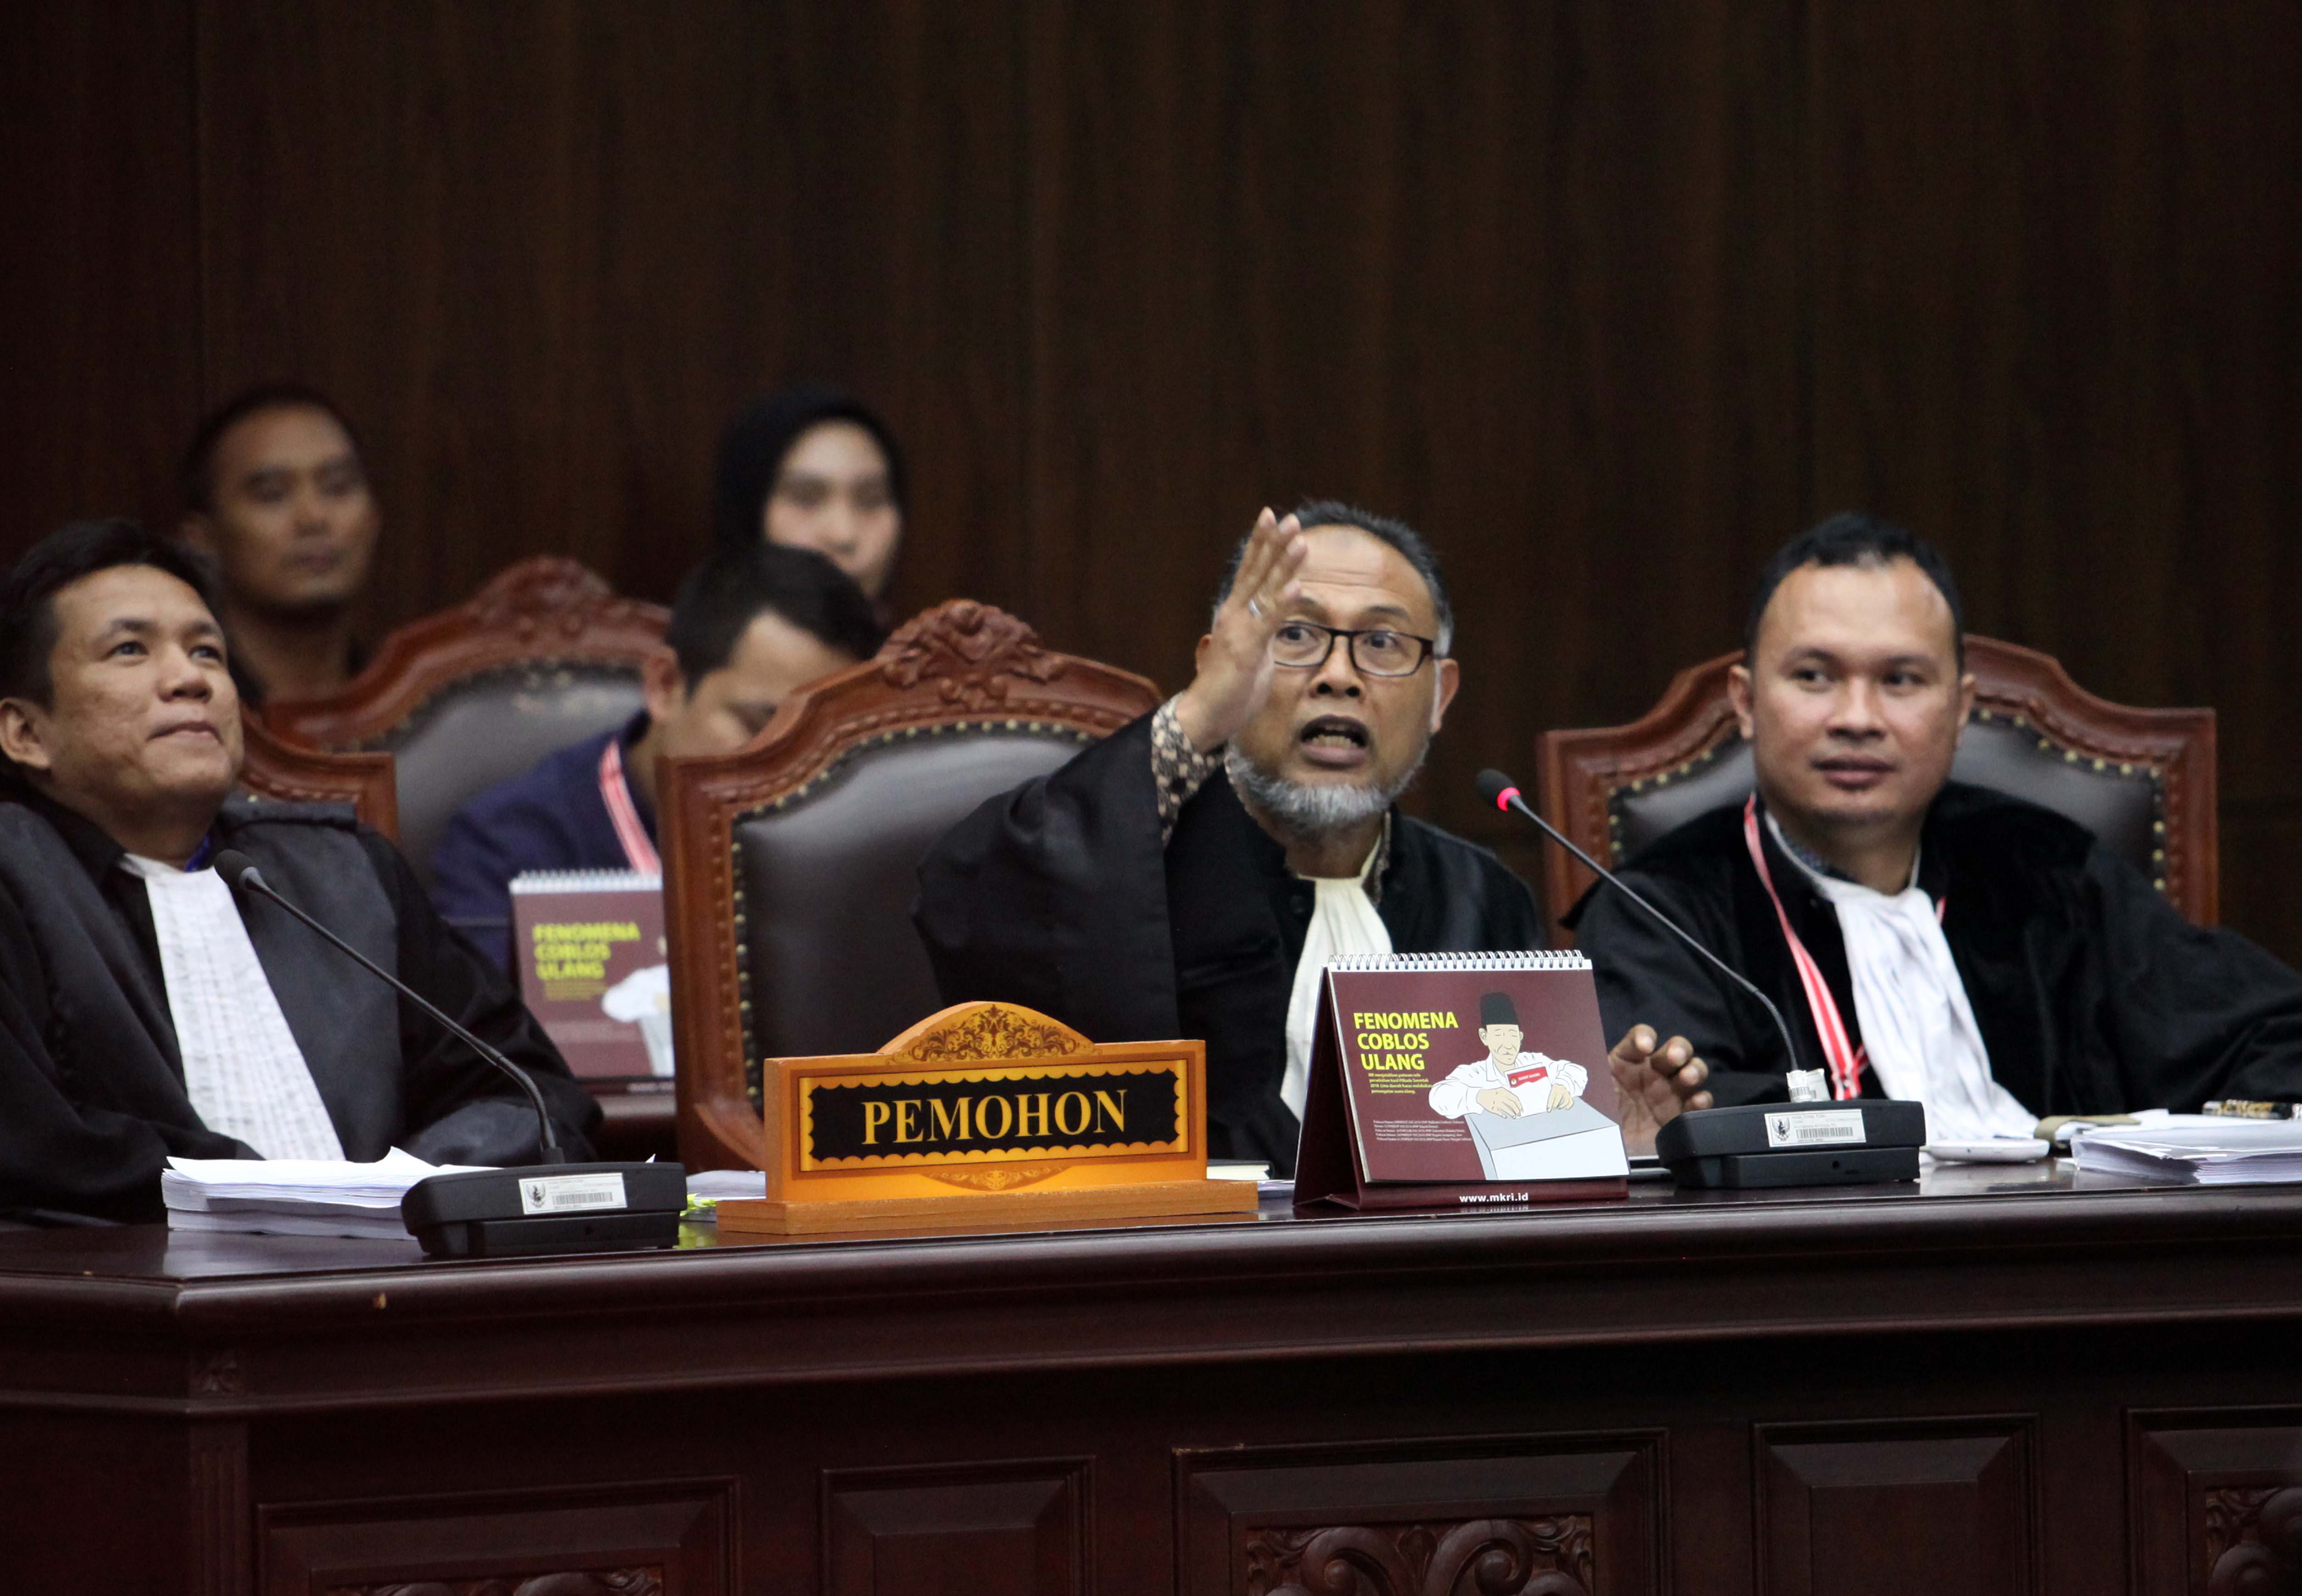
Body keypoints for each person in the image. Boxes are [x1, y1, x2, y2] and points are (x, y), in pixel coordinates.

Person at [915, 501, 1711, 1174]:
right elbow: (972, 898)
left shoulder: (1480, 896)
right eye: (1294, 636)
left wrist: (1604, 1144)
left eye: (1383, 643)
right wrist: (1197, 717)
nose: (1338, 674)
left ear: (1441, 696)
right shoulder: (1130, 868)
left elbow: (1499, 1174)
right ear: (1220, 667)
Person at [1571, 512, 2302, 1131]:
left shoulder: (2049, 872)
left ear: (1960, 708)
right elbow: (1687, 1131)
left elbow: (2298, 1046)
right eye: (1815, 676)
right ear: (1748, 702)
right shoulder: (1658, 912)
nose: (1857, 716)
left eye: (1901, 680)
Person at [0, 521, 596, 1228]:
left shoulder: (342, 875)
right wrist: (273, 1196)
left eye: (208, 651)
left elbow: (530, 1095)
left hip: (393, 1289)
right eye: (130, 649)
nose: (190, 679)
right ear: (26, 731)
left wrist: (407, 1192)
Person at [429, 542, 888, 972]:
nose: (792, 768)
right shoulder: (505, 846)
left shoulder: (855, 847)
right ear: (666, 686)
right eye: (759, 725)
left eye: (820, 743)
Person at [176, 383, 382, 705]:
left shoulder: (416, 707)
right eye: (273, 495)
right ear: (203, 539)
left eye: (338, 487)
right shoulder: (183, 708)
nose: (314, 518)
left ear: (374, 517)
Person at [713, 386, 907, 600]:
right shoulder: (685, 632)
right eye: (805, 498)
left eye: (872, 500)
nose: (844, 535)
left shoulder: (933, 631)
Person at [1428, 992, 1589, 1119]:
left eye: (1512, 1035)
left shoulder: (1534, 1061)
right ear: (1484, 1037)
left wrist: (1564, 1085)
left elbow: (1576, 1071)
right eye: (1498, 1035)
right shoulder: (1475, 1074)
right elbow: (1438, 1096)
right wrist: (1480, 1097)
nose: (1507, 1045)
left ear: (1520, 1037)